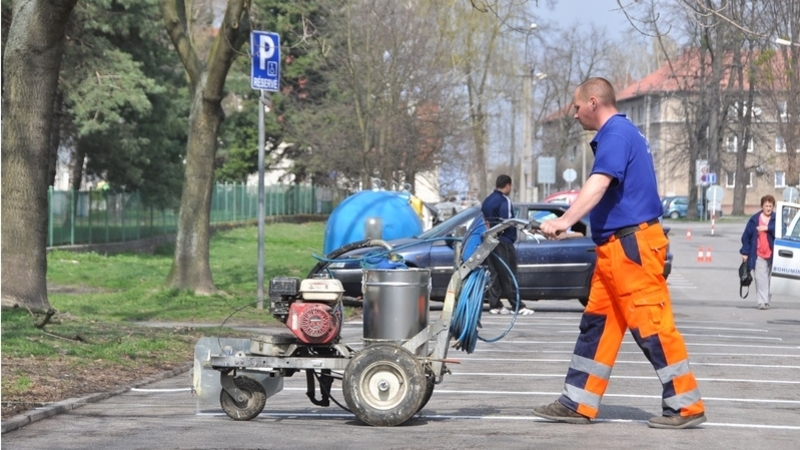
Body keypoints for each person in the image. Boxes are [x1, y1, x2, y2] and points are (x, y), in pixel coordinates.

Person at [532, 78, 706, 429]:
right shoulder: (623, 133)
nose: (575, 113)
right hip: (617, 249)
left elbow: (599, 183)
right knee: (597, 326)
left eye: (577, 106)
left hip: (632, 249)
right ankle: (578, 402)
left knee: (653, 327)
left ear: (594, 102)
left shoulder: (615, 133)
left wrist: (565, 220)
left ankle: (686, 406)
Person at [481, 175, 534, 316]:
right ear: (508, 185)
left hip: (489, 241)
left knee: (495, 273)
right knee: (509, 273)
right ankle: (518, 306)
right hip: (504, 241)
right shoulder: (505, 201)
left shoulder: (487, 201)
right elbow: (508, 221)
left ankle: (495, 305)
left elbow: (485, 220)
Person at [740, 195, 776, 310]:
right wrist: (745, 252)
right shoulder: (754, 220)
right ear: (762, 206)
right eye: (766, 206)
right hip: (758, 253)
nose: (768, 208)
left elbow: (781, 230)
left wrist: (767, 228)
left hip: (773, 254)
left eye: (770, 206)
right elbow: (746, 237)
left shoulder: (776, 219)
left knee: (770, 279)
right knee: (760, 278)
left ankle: (767, 300)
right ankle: (762, 302)